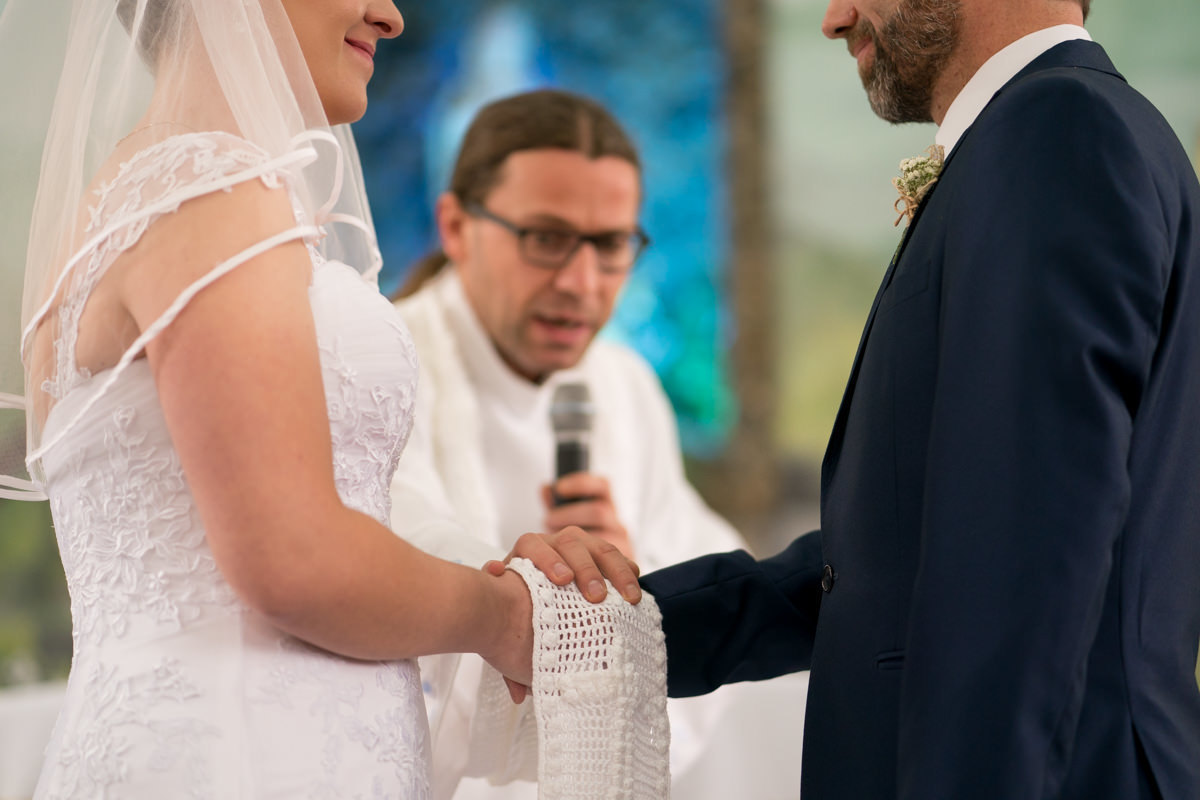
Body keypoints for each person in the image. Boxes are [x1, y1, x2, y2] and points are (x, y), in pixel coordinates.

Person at [506, 0, 1200, 797]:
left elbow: (1024, 574)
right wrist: (603, 626)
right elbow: (902, 560)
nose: (835, 18)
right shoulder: (1049, 131)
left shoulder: (1057, 132)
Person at [0, 0, 658, 796]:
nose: (390, 15)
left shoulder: (121, 204)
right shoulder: (212, 194)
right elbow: (293, 558)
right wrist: (504, 618)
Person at [387, 89, 801, 798]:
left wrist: (629, 574)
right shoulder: (389, 370)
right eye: (545, 239)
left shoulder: (623, 384)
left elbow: (693, 560)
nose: (581, 284)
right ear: (455, 226)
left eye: (611, 245)